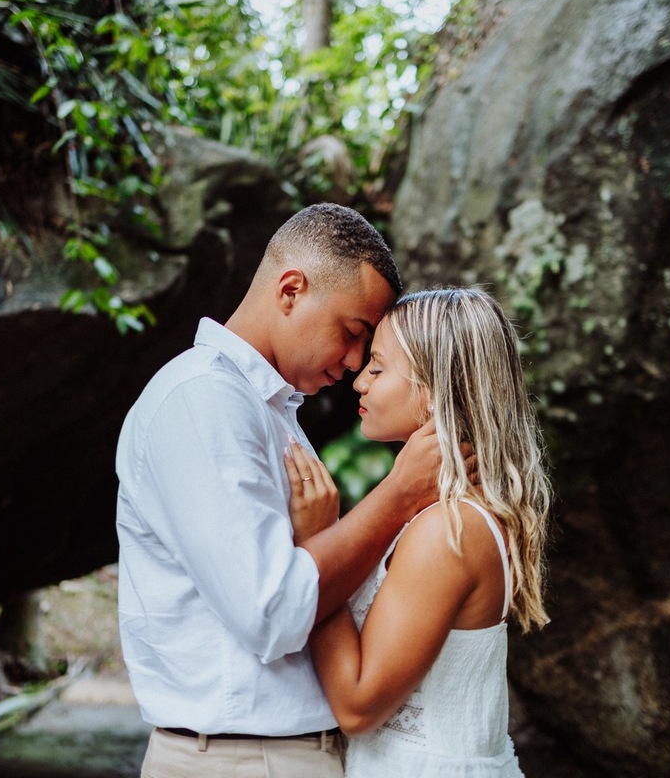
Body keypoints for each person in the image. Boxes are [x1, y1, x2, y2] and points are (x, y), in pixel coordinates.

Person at [115, 203, 446, 778]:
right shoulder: (203, 402)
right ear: (291, 289)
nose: (352, 364)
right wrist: (398, 496)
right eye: (352, 334)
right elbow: (270, 612)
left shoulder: (268, 411)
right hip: (241, 757)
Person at [286, 287, 553, 777]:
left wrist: (315, 544)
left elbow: (358, 707)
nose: (359, 382)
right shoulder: (441, 515)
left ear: (433, 392)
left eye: (379, 368)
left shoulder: (449, 531)